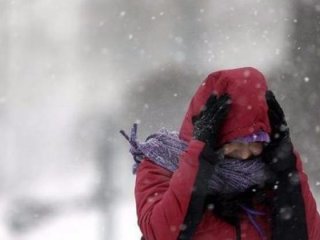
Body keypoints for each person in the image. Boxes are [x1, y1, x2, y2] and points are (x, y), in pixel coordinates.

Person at [120, 67, 320, 240]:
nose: (244, 154)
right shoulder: (162, 164)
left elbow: (307, 235)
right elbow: (161, 234)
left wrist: (287, 169)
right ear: (213, 136)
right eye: (235, 142)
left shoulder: (271, 174)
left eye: (256, 142)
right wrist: (199, 159)